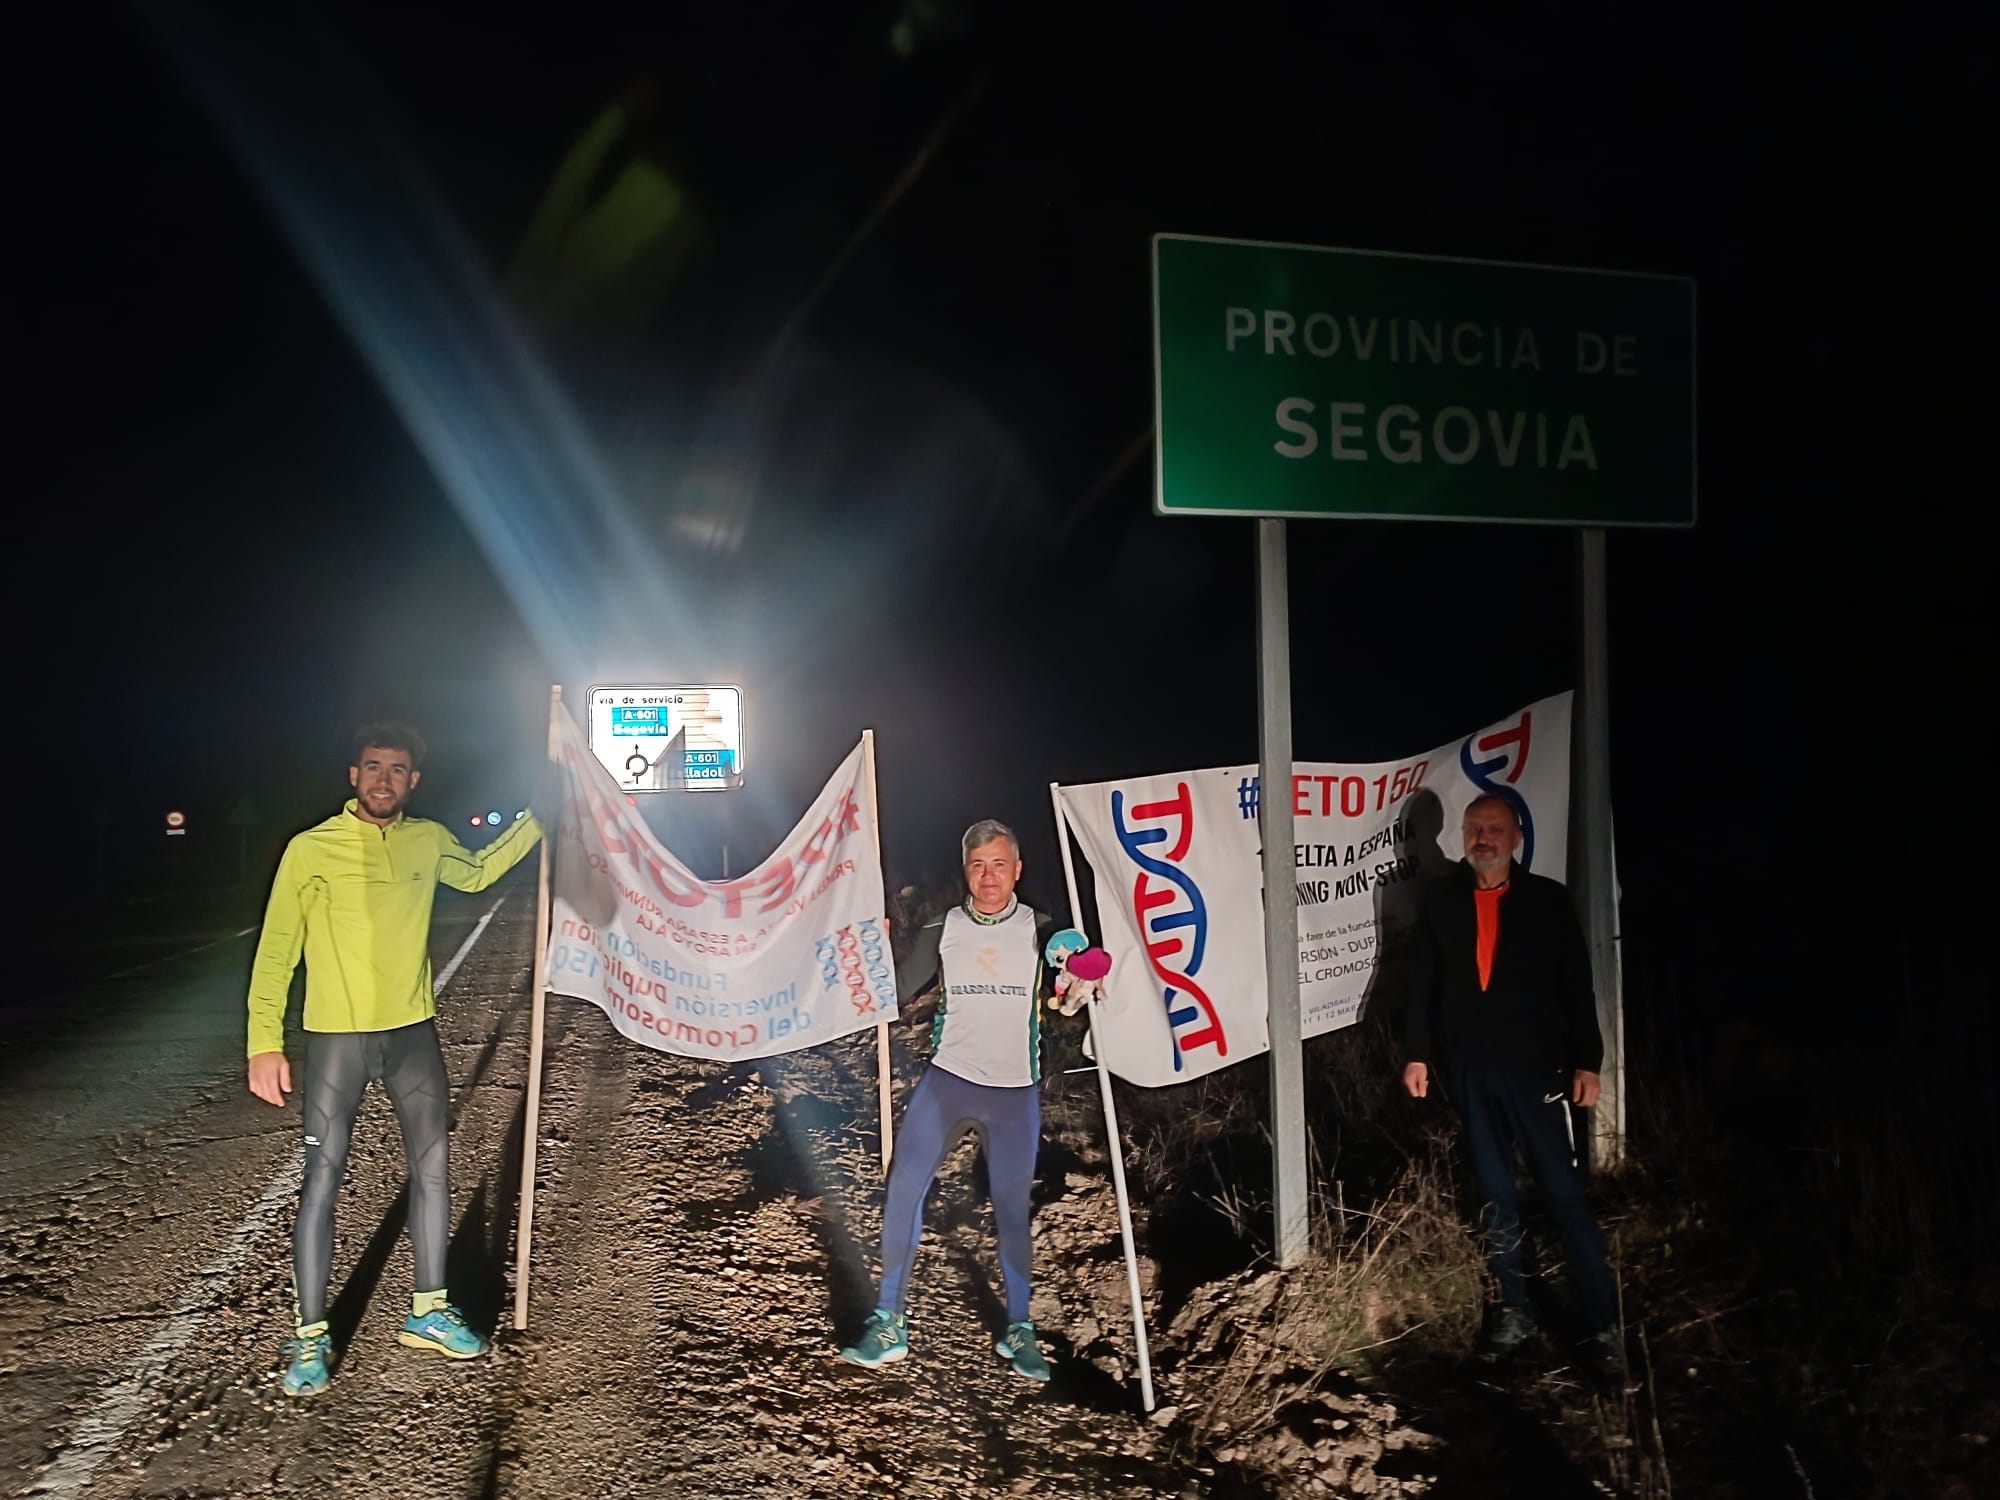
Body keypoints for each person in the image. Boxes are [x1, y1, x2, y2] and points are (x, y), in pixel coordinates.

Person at [245, 722, 546, 1396]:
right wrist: (264, 1040)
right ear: (353, 775)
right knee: (322, 1182)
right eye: (373, 767)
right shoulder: (309, 849)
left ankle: (428, 1312)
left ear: (414, 780)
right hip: (336, 1043)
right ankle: (309, 1340)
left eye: (398, 769)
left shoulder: (428, 839)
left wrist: (539, 818)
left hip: (413, 1033)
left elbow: (478, 872)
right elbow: (276, 950)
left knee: (434, 1170)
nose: (385, 779)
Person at [1401, 793, 1623, 1379]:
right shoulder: (1442, 901)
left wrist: (1587, 1060)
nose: (1483, 838)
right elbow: (1421, 981)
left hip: (1536, 1072)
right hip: (1471, 1071)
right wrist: (1417, 1054)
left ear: (1516, 837)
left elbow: (1577, 987)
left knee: (1564, 1196)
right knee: (1496, 1197)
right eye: (1474, 828)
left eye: (1494, 829)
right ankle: (1514, 1313)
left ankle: (1601, 1325)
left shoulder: (1547, 901)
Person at [840, 819, 1067, 1382]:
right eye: (976, 865)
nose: (988, 877)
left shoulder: (1043, 928)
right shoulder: (946, 925)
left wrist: (1079, 962)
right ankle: (889, 1320)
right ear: (965, 871)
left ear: (1018, 869)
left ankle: (1020, 1328)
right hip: (949, 1081)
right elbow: (897, 986)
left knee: (1011, 1211)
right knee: (905, 1186)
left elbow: (1070, 962)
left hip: (1013, 1094)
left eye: (999, 865)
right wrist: (877, 952)